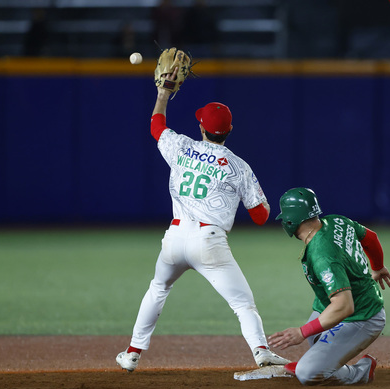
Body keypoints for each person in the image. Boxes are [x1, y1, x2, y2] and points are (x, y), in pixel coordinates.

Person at [116, 67, 289, 371]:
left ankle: (132, 353)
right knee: (242, 304)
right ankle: (261, 352)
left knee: (158, 288)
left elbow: (157, 126)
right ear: (230, 130)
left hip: (174, 238)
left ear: (201, 127)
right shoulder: (238, 166)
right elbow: (261, 216)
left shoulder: (181, 147)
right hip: (210, 243)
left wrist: (163, 93)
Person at [268, 187, 390, 386]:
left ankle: (360, 372)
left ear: (292, 219)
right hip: (348, 303)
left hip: (363, 316)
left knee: (307, 373)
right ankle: (321, 361)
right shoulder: (336, 220)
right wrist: (377, 266)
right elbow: (371, 238)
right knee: (317, 337)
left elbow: (344, 306)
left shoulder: (322, 255)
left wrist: (301, 332)